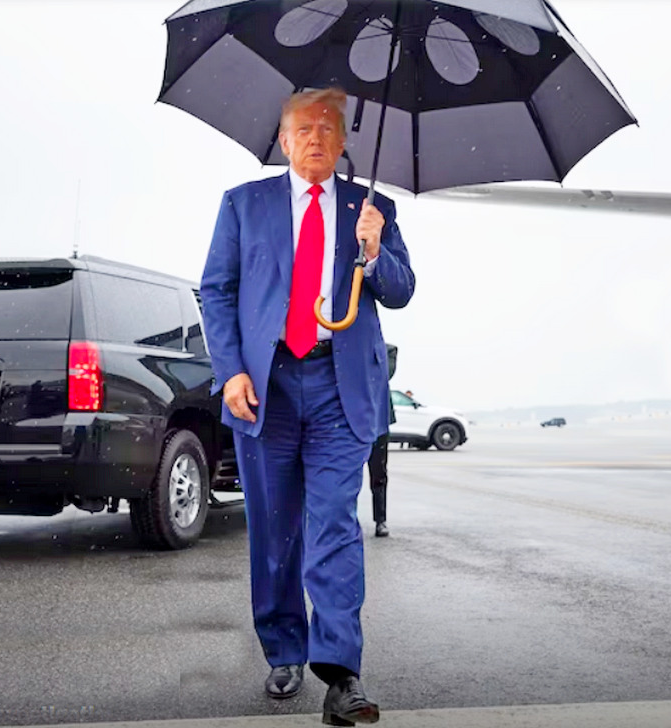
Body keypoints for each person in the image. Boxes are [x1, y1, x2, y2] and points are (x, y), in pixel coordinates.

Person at [199, 87, 415, 726]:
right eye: (303, 128)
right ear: (283, 140)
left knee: (334, 525)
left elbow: (402, 291)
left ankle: (341, 673)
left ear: (344, 141)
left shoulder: (372, 208)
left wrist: (374, 251)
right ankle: (284, 648)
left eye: (327, 127)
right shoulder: (243, 204)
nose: (316, 137)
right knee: (275, 529)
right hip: (264, 386)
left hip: (339, 386)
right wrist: (231, 371)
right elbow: (217, 291)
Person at [368, 343, 397, 537]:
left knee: (379, 474)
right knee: (345, 474)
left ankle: (380, 520)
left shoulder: (387, 351)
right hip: (348, 420)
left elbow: (385, 372)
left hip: (378, 421)